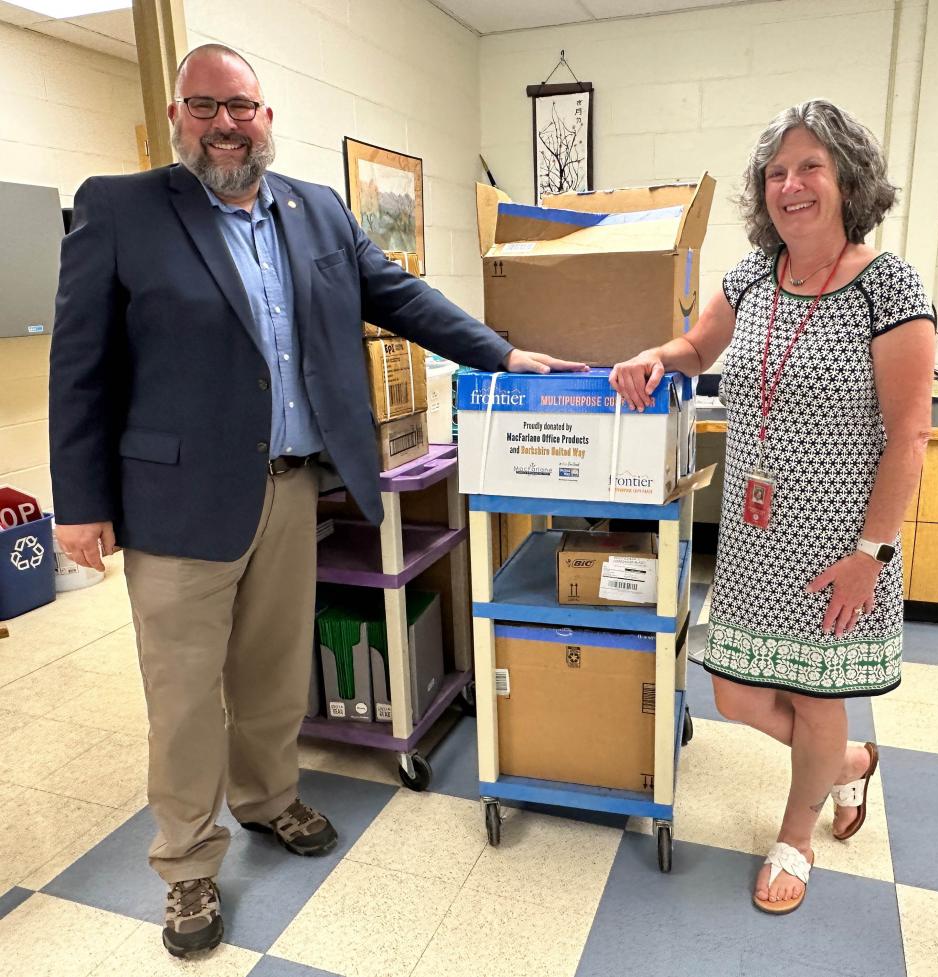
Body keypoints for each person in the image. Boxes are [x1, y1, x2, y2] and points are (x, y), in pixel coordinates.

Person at [49, 43, 584, 958]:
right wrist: (79, 501)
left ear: (266, 116)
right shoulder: (121, 209)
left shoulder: (317, 209)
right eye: (207, 106)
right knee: (183, 698)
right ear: (179, 114)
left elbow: (403, 297)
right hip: (176, 505)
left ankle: (267, 798)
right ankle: (186, 865)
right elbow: (80, 365)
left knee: (272, 674)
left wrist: (502, 354)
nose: (227, 124)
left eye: (244, 107)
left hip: (295, 486)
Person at [610, 99, 935, 915]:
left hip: (840, 542)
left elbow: (910, 436)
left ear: (848, 179)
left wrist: (875, 553)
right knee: (738, 692)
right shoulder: (754, 273)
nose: (790, 185)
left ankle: (796, 836)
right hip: (754, 539)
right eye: (777, 171)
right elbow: (697, 347)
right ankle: (847, 764)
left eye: (810, 167)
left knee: (819, 694)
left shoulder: (888, 287)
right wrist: (658, 353)